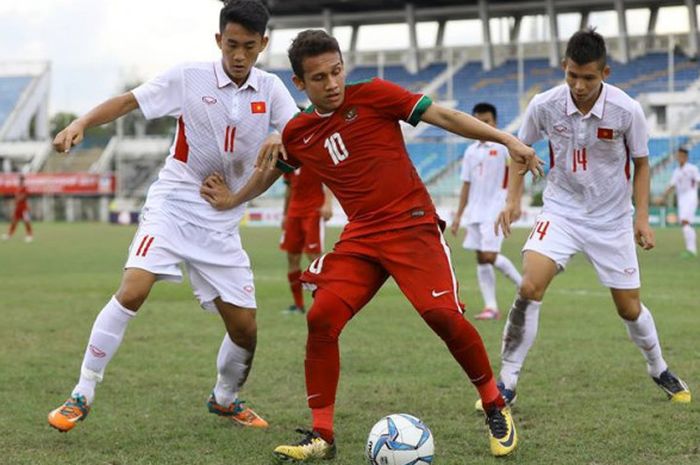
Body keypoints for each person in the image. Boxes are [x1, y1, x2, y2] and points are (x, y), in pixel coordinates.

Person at [199, 29, 543, 461]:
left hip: (412, 225)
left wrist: (508, 139)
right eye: (320, 78)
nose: (333, 84)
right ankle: (322, 435)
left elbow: (445, 117)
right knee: (322, 317)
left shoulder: (376, 95)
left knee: (443, 316)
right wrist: (234, 198)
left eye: (337, 71)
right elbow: (271, 173)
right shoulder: (300, 131)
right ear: (300, 84)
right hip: (362, 235)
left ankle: (495, 404)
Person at [47, 0, 298, 433]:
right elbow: (129, 101)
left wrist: (271, 145)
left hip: (223, 218)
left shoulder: (274, 91)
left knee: (246, 330)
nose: (239, 55)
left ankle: (224, 398)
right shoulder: (189, 77)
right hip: (175, 202)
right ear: (218, 40)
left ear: (263, 45)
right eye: (232, 45)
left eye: (249, 47)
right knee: (133, 289)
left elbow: (293, 150)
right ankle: (81, 392)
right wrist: (82, 123)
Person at [486, 29, 691, 411]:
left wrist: (641, 218)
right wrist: (512, 200)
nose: (579, 86)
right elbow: (519, 149)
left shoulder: (627, 110)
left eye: (589, 78)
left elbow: (643, 164)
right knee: (530, 286)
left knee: (628, 308)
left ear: (605, 73)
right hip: (561, 211)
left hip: (612, 219)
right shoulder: (544, 105)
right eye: (572, 76)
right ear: (564, 67)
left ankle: (658, 367)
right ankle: (507, 382)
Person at [450, 103, 522, 320]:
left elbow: (518, 172)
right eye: (478, 122)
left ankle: (524, 287)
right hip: (475, 211)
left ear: (495, 122)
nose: (482, 126)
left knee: (490, 255)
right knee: (481, 258)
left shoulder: (503, 146)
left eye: (486, 122)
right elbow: (466, 185)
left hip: (496, 209)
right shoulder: (471, 151)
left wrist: (515, 203)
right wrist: (459, 215)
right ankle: (491, 307)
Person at [280, 160, 333, 314]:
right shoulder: (288, 160)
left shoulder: (313, 154)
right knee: (292, 258)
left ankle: (328, 303)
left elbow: (329, 180)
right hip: (293, 213)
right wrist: (285, 214)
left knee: (314, 256)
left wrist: (328, 204)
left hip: (313, 211)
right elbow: (289, 189)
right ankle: (298, 305)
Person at [659, 147, 699, 257]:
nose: (679, 158)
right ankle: (691, 249)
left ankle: (691, 250)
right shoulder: (676, 171)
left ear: (686, 157)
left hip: (691, 197)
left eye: (681, 155)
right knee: (684, 223)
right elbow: (672, 185)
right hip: (681, 199)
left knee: (685, 221)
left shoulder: (692, 169)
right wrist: (663, 196)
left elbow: (698, 181)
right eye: (678, 156)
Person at [2, 174, 33, 242]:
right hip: (18, 209)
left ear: (23, 180)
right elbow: (16, 197)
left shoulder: (25, 187)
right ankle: (9, 235)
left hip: (24, 208)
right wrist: (15, 201)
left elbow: (24, 196)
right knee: (14, 222)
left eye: (22, 179)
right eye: (20, 179)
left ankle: (29, 235)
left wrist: (18, 199)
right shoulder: (18, 188)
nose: (20, 180)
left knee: (26, 222)